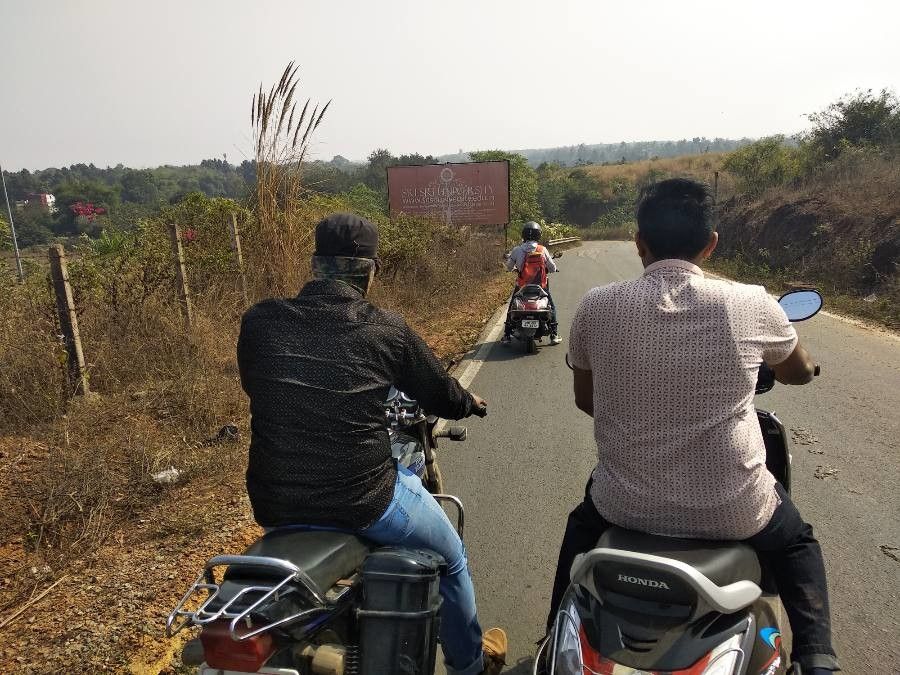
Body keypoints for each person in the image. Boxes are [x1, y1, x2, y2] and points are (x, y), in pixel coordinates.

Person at [547, 179, 839, 674]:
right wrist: (803, 369)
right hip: (737, 509)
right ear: (711, 243)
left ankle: (552, 634)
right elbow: (797, 370)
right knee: (797, 543)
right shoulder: (751, 303)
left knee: (579, 529)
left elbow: (587, 401)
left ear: (639, 242)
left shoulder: (596, 305)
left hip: (624, 506)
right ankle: (818, 660)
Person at [237, 213, 507, 675]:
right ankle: (471, 665)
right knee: (451, 558)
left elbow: (256, 386)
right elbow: (440, 392)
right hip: (364, 498)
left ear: (315, 264)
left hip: (274, 499)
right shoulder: (385, 329)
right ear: (370, 269)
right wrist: (468, 403)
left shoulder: (261, 320)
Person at [502, 221, 561, 345]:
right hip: (540, 287)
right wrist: (553, 269)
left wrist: (513, 267)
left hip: (522, 286)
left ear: (523, 235)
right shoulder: (542, 249)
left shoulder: (517, 250)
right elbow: (551, 267)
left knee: (511, 307)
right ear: (538, 235)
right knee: (551, 306)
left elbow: (508, 267)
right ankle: (554, 335)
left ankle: (507, 335)